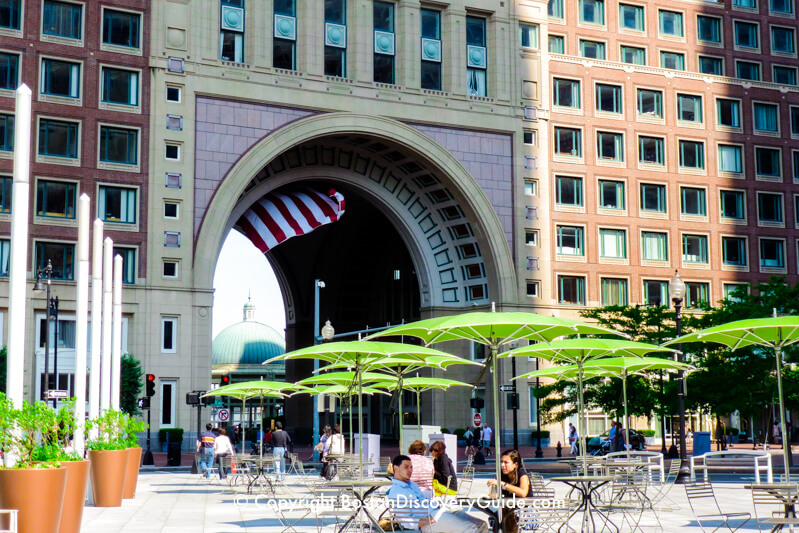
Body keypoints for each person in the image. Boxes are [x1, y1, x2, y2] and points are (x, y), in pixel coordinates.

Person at [387, 454, 489, 533]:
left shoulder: (412, 484)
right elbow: (405, 521)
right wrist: (424, 521)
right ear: (396, 468)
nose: (410, 470)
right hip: (429, 520)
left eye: (411, 467)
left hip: (439, 510)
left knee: (481, 525)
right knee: (470, 529)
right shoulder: (396, 491)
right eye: (406, 467)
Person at [486, 449, 532, 533]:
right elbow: (500, 496)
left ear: (515, 464)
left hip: (526, 512)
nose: (502, 465)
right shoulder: (501, 476)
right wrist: (495, 494)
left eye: (506, 462)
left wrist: (503, 484)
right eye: (501, 462)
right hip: (508, 509)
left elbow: (523, 493)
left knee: (505, 517)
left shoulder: (522, 475)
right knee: (497, 517)